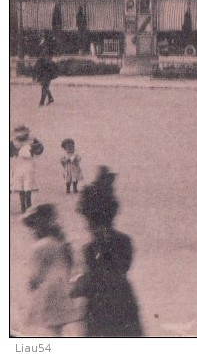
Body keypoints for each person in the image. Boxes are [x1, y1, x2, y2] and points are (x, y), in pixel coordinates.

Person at [71, 167, 143, 337]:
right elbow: (122, 269)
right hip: (125, 302)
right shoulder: (125, 241)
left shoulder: (91, 248)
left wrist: (77, 286)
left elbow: (95, 279)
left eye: (88, 221)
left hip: (101, 309)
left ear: (91, 220)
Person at [21, 204, 79, 336]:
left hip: (47, 292)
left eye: (32, 228)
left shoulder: (40, 246)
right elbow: (70, 265)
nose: (31, 232)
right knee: (56, 330)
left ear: (38, 227)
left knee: (45, 331)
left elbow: (36, 275)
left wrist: (31, 284)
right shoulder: (62, 241)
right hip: (62, 288)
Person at [10, 125, 44, 213]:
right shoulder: (13, 142)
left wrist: (32, 151)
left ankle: (28, 205)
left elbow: (40, 149)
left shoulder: (32, 140)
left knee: (27, 185)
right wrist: (16, 152)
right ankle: (23, 206)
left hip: (28, 165)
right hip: (18, 165)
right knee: (21, 186)